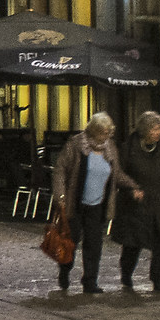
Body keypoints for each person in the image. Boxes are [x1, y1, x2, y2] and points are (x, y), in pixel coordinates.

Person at [50, 112, 121, 293]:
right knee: (71, 241)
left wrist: (134, 186)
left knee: (94, 244)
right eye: (103, 132)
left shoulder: (110, 148)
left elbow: (117, 174)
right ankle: (65, 271)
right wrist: (60, 196)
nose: (106, 136)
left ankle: (90, 281)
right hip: (76, 203)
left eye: (108, 132)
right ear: (94, 131)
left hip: (97, 204)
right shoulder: (76, 144)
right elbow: (60, 170)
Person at [113, 110, 160, 294]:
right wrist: (131, 189)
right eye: (154, 129)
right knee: (133, 243)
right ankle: (126, 274)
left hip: (159, 203)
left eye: (159, 129)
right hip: (136, 205)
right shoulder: (128, 148)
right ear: (145, 130)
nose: (158, 132)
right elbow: (120, 173)